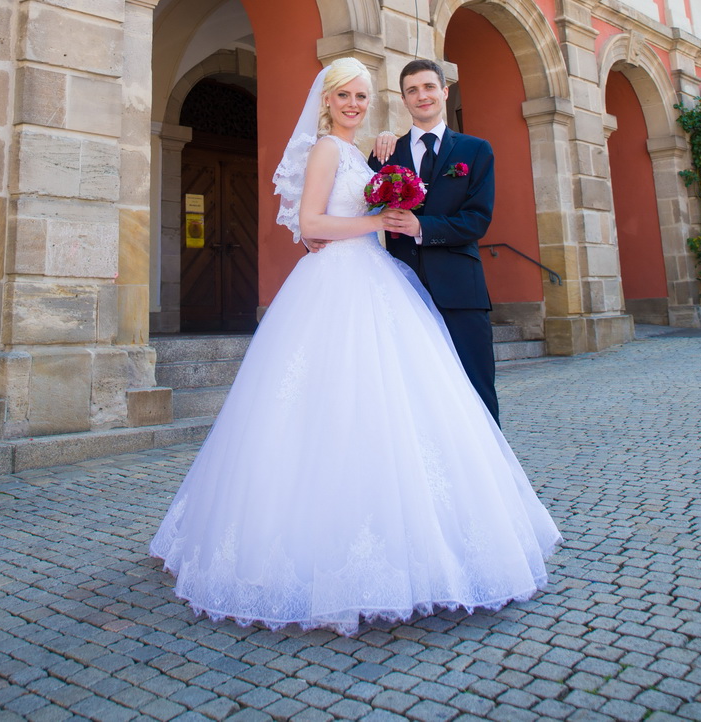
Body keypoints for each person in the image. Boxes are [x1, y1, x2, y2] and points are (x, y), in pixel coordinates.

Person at [149, 59, 560, 634]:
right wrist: (377, 222)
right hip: (340, 285)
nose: (354, 104)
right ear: (327, 99)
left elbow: (462, 214)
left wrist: (386, 212)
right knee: (330, 407)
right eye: (345, 95)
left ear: (438, 93)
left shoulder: (374, 152)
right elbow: (312, 223)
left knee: (428, 405)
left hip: (392, 282)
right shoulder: (330, 151)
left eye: (363, 96)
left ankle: (453, 527)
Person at [369, 58, 499, 423]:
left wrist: (421, 227)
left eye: (428, 87)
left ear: (444, 92)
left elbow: (477, 220)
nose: (421, 96)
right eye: (412, 90)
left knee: (476, 388)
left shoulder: (475, 150)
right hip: (402, 290)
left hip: (461, 290)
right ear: (403, 99)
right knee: (413, 392)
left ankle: (490, 476)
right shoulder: (385, 153)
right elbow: (360, 209)